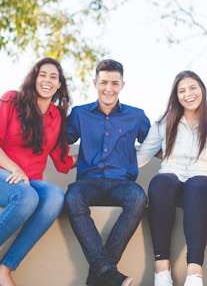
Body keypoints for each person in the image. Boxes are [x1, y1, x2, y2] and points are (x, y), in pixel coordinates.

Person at [136, 70, 207, 286]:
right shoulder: (164, 123)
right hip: (171, 181)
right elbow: (140, 157)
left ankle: (194, 274)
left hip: (205, 182)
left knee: (196, 186)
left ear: (202, 89)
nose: (188, 94)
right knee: (161, 182)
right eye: (181, 90)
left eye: (192, 88)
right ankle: (162, 272)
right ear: (176, 96)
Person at [0, 57, 76, 286]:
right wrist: (15, 169)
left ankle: (3, 271)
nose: (47, 80)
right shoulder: (11, 100)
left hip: (28, 182)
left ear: (59, 85)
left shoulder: (56, 117)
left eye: (53, 77)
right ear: (34, 78)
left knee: (55, 196)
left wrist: (100, 156)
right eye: (42, 74)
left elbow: (62, 162)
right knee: (26, 197)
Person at [64, 59, 150, 286]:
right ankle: (107, 272)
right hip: (88, 182)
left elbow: (156, 144)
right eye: (103, 82)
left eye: (114, 83)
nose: (108, 88)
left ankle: (100, 273)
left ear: (123, 85)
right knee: (72, 197)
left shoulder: (137, 116)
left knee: (138, 198)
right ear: (95, 83)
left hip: (122, 184)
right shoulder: (80, 114)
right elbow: (58, 141)